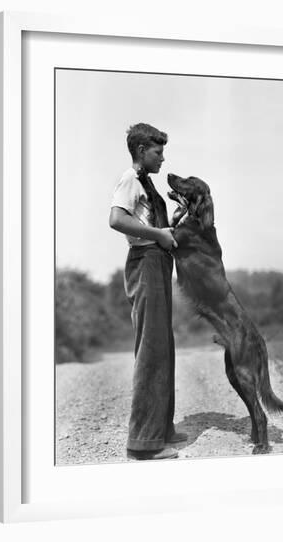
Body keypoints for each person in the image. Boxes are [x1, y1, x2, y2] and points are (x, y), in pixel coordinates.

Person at [109, 123, 188, 460]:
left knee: (163, 347)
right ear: (141, 150)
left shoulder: (147, 183)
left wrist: (175, 221)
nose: (163, 158)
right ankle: (143, 444)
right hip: (144, 263)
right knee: (151, 350)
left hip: (157, 262)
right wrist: (158, 234)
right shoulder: (129, 177)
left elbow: (151, 224)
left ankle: (162, 429)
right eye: (158, 152)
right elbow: (116, 220)